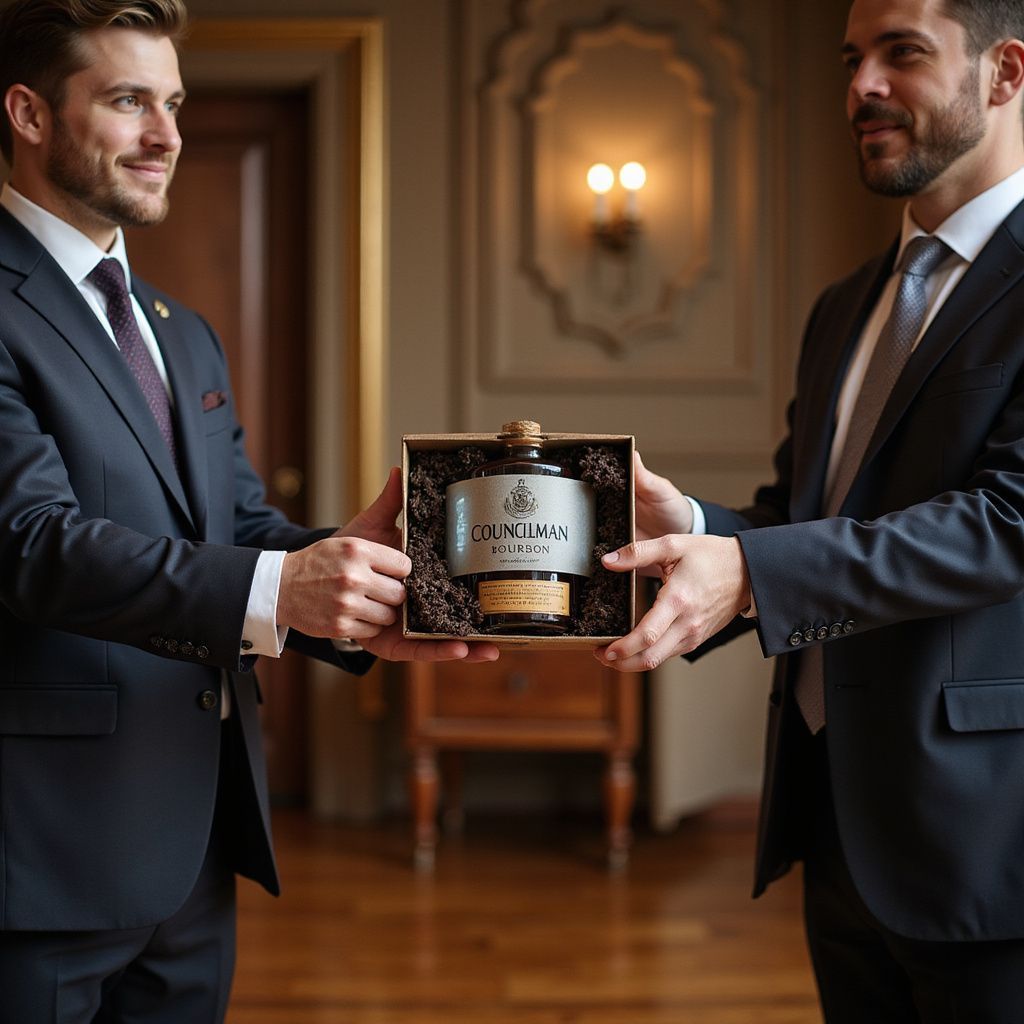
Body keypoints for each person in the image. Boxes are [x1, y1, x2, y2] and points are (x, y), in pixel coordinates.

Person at [0, 0, 497, 1019]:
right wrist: (285, 585)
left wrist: (377, 585)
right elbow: (32, 545)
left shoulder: (181, 331)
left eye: (175, 104)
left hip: (198, 846)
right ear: (29, 114)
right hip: (38, 854)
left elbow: (242, 535)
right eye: (129, 101)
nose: (167, 136)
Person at [598, 0, 1024, 1020]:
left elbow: (1009, 520)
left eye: (901, 53)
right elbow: (802, 518)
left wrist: (749, 570)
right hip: (832, 821)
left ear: (1006, 72)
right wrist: (695, 530)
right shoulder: (845, 305)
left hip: (991, 838)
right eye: (851, 59)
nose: (861, 86)